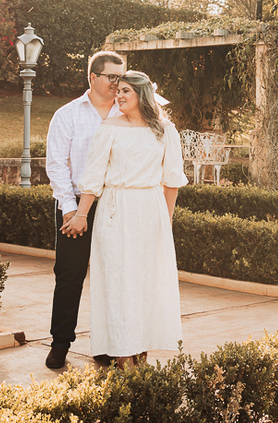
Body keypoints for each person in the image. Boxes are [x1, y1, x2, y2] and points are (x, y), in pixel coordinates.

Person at [66, 70, 187, 367]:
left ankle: (141, 353)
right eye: (118, 90)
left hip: (150, 210)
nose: (118, 96)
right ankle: (121, 354)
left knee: (146, 284)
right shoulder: (109, 128)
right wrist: (81, 214)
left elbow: (172, 180)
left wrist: (166, 222)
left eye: (126, 92)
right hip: (115, 211)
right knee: (117, 283)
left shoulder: (165, 130)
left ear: (141, 95)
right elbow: (93, 177)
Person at [44, 50, 126, 370]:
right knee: (69, 276)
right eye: (112, 77)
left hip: (116, 207)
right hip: (75, 205)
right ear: (93, 77)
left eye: (122, 77)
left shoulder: (127, 114)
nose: (117, 84)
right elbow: (57, 166)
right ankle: (60, 343)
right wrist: (69, 209)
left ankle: (105, 345)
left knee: (111, 278)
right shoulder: (67, 115)